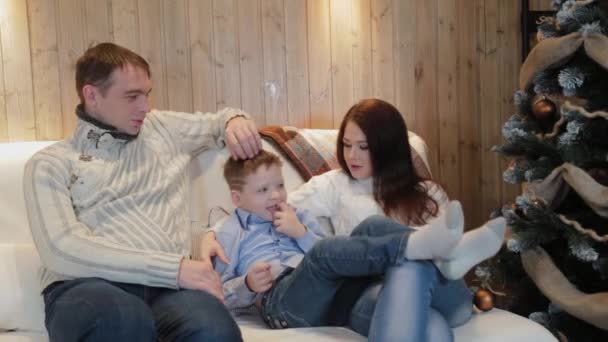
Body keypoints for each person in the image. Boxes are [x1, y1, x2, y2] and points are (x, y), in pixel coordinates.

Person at [23, 42, 261, 342]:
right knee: (122, 321)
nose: (144, 107)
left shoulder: (161, 128)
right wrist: (174, 269)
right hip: (88, 288)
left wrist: (234, 121)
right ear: (92, 95)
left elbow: (217, 123)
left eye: (146, 94)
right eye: (132, 96)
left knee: (215, 331)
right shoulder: (50, 164)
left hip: (167, 292)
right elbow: (61, 248)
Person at [209, 148, 504, 340]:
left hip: (336, 293)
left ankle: (441, 260)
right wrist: (246, 285)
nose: (276, 196)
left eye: (280, 185)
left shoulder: (298, 216)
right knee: (325, 252)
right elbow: (217, 293)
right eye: (263, 190)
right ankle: (426, 247)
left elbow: (336, 260)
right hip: (282, 303)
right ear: (237, 198)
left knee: (372, 227)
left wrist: (301, 233)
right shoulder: (230, 232)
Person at [286, 98, 507, 341]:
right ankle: (438, 253)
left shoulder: (428, 193)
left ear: (388, 147)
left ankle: (441, 257)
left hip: (448, 298)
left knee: (393, 243)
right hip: (371, 291)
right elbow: (270, 207)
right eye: (347, 145)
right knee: (433, 327)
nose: (351, 155)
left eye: (364, 147)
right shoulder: (333, 184)